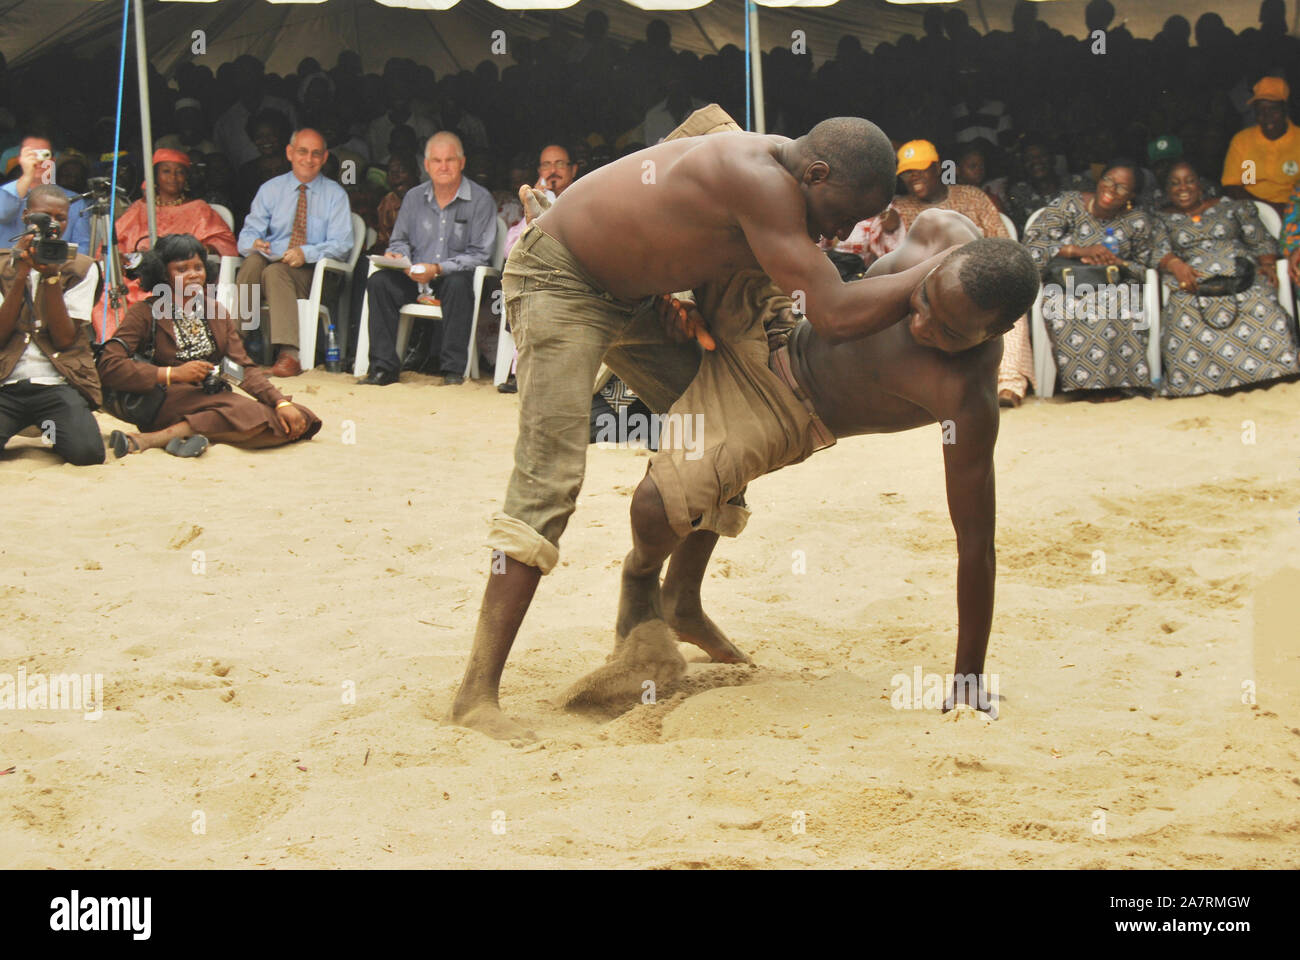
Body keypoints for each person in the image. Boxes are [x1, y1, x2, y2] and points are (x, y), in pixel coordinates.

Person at [450, 107, 962, 741]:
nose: (836, 234)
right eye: (838, 217)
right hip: (561, 281)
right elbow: (831, 311)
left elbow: (689, 140)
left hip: (634, 298)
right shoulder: (764, 180)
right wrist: (944, 273)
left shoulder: (753, 149)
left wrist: (678, 291)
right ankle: (476, 694)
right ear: (817, 172)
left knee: (736, 404)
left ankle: (680, 601)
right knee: (549, 479)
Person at [567, 213, 1038, 719]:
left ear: (1000, 332)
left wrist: (968, 677)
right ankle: (568, 230)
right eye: (922, 300)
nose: (920, 325)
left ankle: (650, 591)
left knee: (658, 504)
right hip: (777, 324)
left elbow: (975, 544)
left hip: (788, 410)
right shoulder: (938, 229)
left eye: (946, 331)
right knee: (721, 159)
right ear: (946, 260)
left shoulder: (965, 395)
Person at [97, 233, 321, 457]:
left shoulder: (216, 312)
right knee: (246, 414)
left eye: (198, 267)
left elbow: (242, 369)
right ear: (163, 275)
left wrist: (280, 402)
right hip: (165, 399)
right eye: (182, 269)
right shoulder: (144, 312)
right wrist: (171, 374)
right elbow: (109, 364)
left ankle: (178, 435)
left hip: (211, 395)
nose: (193, 275)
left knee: (301, 418)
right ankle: (154, 438)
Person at [893, 140, 1034, 407]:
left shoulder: (971, 196)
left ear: (936, 168)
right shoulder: (899, 208)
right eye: (907, 172)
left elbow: (1001, 240)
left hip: (980, 277)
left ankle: (1009, 385)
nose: (913, 178)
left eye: (920, 170)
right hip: (926, 287)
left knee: (1007, 305)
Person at [358, 132, 496, 387]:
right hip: (414, 276)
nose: (443, 167)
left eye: (450, 160)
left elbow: (480, 255)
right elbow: (399, 240)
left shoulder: (480, 199)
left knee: (457, 284)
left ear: (462, 162)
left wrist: (437, 268)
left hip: (452, 278)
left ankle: (452, 371)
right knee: (379, 282)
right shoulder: (413, 197)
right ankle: (383, 368)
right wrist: (401, 257)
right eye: (437, 161)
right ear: (427, 165)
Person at [1153, 161, 1298, 397]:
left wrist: (1268, 264)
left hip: (1241, 275)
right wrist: (1174, 263)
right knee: (1182, 309)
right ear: (1166, 190)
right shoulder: (1160, 219)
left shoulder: (1231, 207)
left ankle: (1274, 371)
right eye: (1175, 183)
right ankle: (1193, 385)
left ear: (1200, 185)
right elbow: (1158, 250)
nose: (1183, 188)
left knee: (1261, 299)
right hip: (1193, 283)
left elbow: (1259, 239)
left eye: (1189, 181)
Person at [1021, 160, 1165, 396]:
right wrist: (1079, 251)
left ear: (1132, 195)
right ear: (1099, 180)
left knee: (1122, 303)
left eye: (1121, 187)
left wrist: (1119, 263)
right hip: (1067, 285)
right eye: (1108, 180)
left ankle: (1123, 386)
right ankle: (1084, 388)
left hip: (1115, 284)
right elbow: (1033, 246)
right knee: (1065, 306)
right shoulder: (1069, 203)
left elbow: (1146, 268)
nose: (1111, 189)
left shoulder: (1136, 220)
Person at [235, 128, 353, 377]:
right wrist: (255, 243)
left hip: (315, 275)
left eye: (315, 154)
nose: (308, 159)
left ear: (324, 157)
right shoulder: (270, 189)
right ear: (289, 153)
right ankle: (235, 343)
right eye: (302, 152)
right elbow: (246, 235)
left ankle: (290, 354)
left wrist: (306, 253)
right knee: (253, 262)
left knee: (275, 272)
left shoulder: (336, 195)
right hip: (273, 264)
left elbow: (343, 245)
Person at [0, 186, 105, 466]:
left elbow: (64, 339)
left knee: (87, 453)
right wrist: (21, 273)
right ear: (25, 216)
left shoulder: (82, 267)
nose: (53, 224)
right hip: (6, 382)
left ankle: (52, 428)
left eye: (61, 217)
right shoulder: (2, 265)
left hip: (56, 382)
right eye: (44, 217)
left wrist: (51, 278)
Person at [114, 149, 237, 259]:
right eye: (166, 171)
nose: (173, 177)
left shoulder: (199, 208)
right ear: (155, 177)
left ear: (186, 178)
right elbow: (114, 241)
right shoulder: (140, 207)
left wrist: (206, 249)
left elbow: (223, 242)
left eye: (180, 172)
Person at [0, 136, 92, 256]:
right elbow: (3, 213)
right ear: (20, 159)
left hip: (56, 270)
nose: (37, 160)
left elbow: (82, 248)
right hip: (9, 269)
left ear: (52, 160)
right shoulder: (5, 194)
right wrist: (28, 176)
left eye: (44, 154)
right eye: (31, 154)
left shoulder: (75, 201)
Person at [1221, 78, 1300, 215]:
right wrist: (1267, 209)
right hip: (1252, 209)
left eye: (1272, 109)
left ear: (1285, 108)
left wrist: (1288, 211)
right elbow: (1232, 185)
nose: (1266, 116)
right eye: (1260, 110)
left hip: (1291, 212)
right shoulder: (1242, 140)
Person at [1007, 134, 1093, 234]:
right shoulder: (1019, 193)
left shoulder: (1077, 184)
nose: (1035, 161)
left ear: (1053, 159)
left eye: (1041, 156)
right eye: (1029, 158)